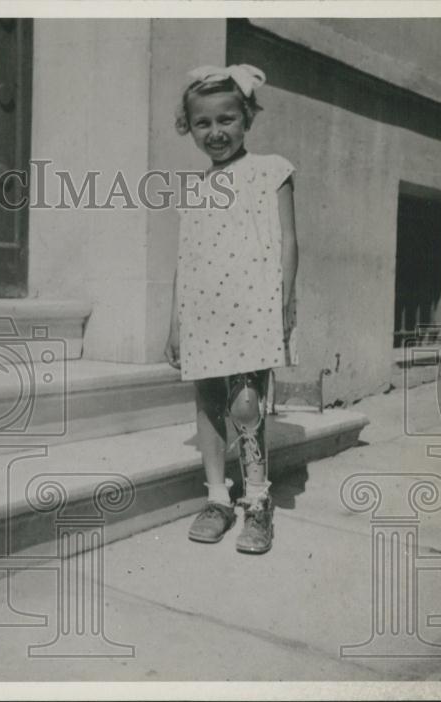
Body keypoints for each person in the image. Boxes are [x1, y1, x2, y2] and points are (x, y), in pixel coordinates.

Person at [165, 64, 298, 554]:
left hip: (254, 305)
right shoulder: (193, 189)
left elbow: (287, 242)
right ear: (189, 127)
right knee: (208, 401)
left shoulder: (271, 170)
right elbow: (185, 259)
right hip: (204, 309)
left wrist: (285, 301)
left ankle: (258, 502)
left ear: (247, 118)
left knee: (246, 405)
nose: (216, 132)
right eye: (203, 123)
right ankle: (218, 497)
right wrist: (175, 322)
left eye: (227, 120)